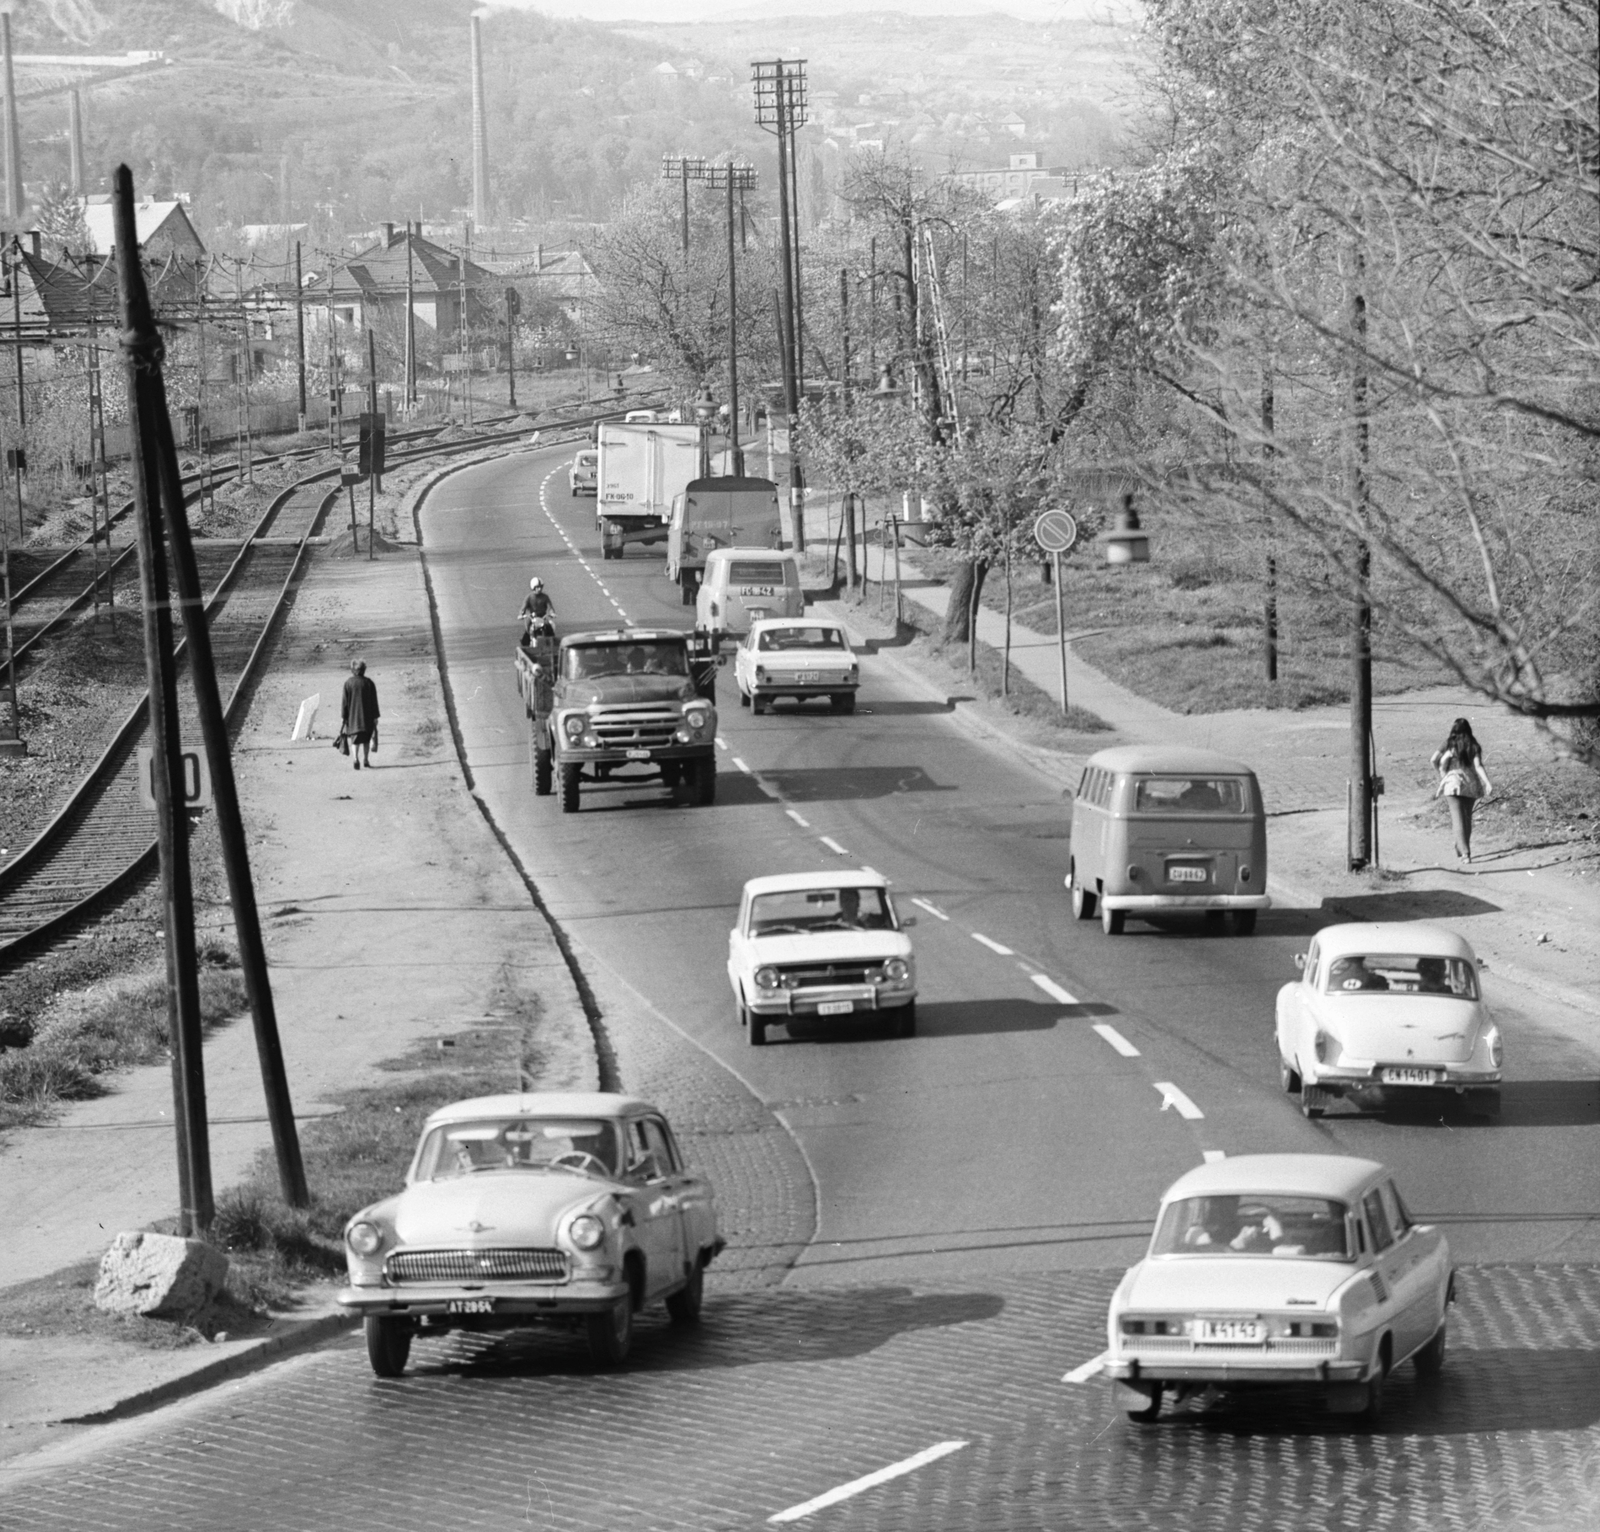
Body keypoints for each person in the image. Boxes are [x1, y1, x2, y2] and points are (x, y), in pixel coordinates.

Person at [1431, 718, 1492, 863]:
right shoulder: (1474, 745)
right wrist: (1487, 782)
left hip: (1452, 784)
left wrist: (1442, 774)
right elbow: (1478, 766)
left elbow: (1433, 759)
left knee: (1457, 819)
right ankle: (1463, 849)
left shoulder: (1448, 743)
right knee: (1466, 818)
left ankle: (1465, 852)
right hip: (1471, 784)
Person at [340, 658, 380, 771]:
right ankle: (366, 759)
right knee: (366, 740)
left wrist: (344, 717)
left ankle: (355, 759)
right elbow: (374, 701)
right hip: (367, 717)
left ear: (353, 670)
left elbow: (344, 702)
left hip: (353, 717)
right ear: (364, 670)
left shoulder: (348, 683)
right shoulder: (369, 683)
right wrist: (375, 716)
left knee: (355, 740)